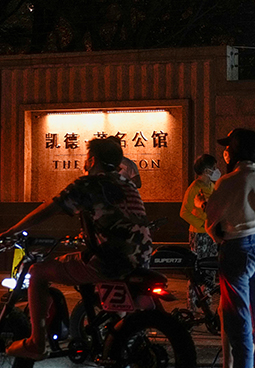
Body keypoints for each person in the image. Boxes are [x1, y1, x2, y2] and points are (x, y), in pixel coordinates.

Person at [0, 138, 152, 360]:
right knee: (80, 265)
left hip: (109, 261)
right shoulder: (127, 184)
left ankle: (36, 343)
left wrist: (12, 230)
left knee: (38, 272)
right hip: (141, 259)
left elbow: (50, 208)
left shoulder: (89, 184)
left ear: (91, 160)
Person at [204, 129, 255, 368]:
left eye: (228, 147)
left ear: (234, 151)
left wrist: (217, 232)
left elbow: (212, 219)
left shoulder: (229, 180)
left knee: (239, 321)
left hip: (237, 249)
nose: (225, 152)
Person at [180, 153, 220, 310]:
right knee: (197, 269)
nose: (216, 170)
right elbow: (184, 212)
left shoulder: (211, 186)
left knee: (210, 269)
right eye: (213, 168)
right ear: (206, 170)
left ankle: (206, 300)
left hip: (211, 234)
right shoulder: (194, 188)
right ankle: (192, 305)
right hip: (199, 234)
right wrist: (202, 225)